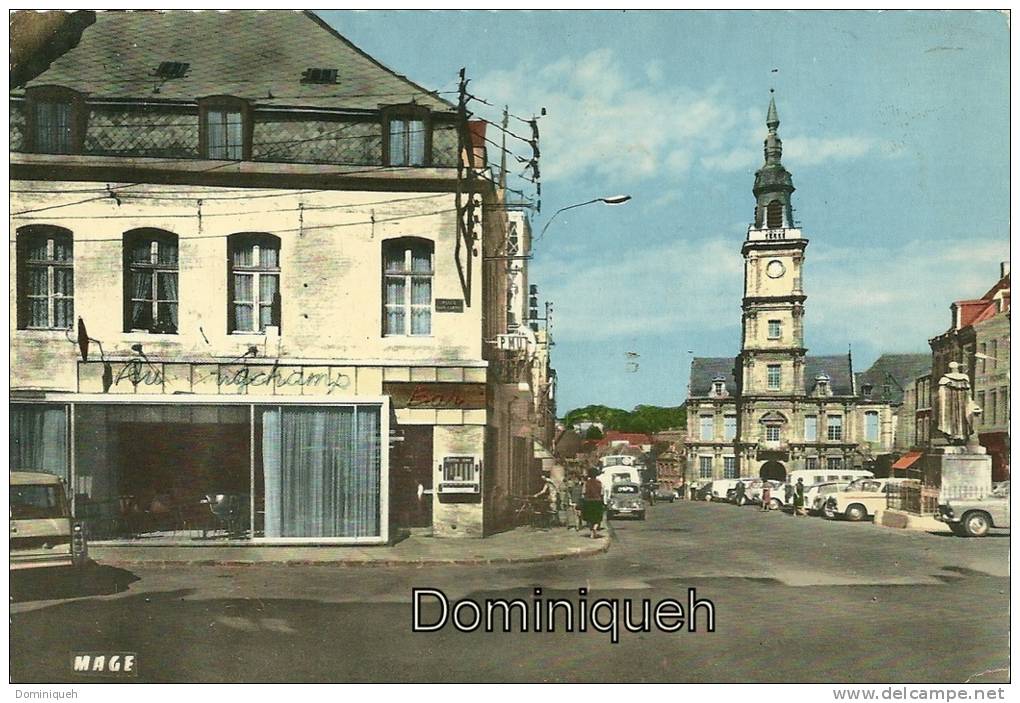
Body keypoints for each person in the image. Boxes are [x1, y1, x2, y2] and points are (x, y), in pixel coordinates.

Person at [581, 468, 605, 539]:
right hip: (597, 501)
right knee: (597, 518)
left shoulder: (586, 483)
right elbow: (602, 493)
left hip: (588, 501)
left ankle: (592, 532)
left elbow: (583, 493)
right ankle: (595, 528)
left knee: (589, 518)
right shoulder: (599, 483)